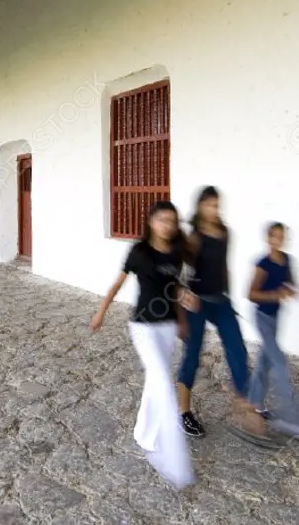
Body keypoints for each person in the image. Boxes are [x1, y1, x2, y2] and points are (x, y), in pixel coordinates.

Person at [90, 201, 196, 489]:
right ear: (151, 221)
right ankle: (171, 456)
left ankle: (143, 434)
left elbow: (174, 288)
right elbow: (117, 284)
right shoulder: (139, 252)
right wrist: (101, 311)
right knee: (162, 380)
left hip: (167, 326)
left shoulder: (175, 254)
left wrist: (183, 316)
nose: (168, 225)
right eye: (162, 220)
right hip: (143, 327)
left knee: (154, 382)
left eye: (173, 221)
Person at [176, 186, 267, 438]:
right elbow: (179, 271)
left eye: (217, 205)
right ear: (200, 207)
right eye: (209, 205)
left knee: (237, 348)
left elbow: (224, 266)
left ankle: (246, 405)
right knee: (191, 356)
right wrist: (181, 308)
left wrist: (228, 296)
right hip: (196, 303)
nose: (214, 210)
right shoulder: (194, 237)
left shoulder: (225, 232)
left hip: (220, 301)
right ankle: (184, 413)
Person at [247, 222, 299, 442]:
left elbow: (292, 284)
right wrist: (275, 294)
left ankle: (254, 404)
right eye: (274, 236)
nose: (278, 240)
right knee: (280, 364)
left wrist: (291, 291)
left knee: (265, 362)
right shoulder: (263, 264)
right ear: (268, 239)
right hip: (262, 318)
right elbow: (251, 294)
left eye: (282, 236)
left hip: (276, 318)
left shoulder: (287, 260)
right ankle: (292, 420)